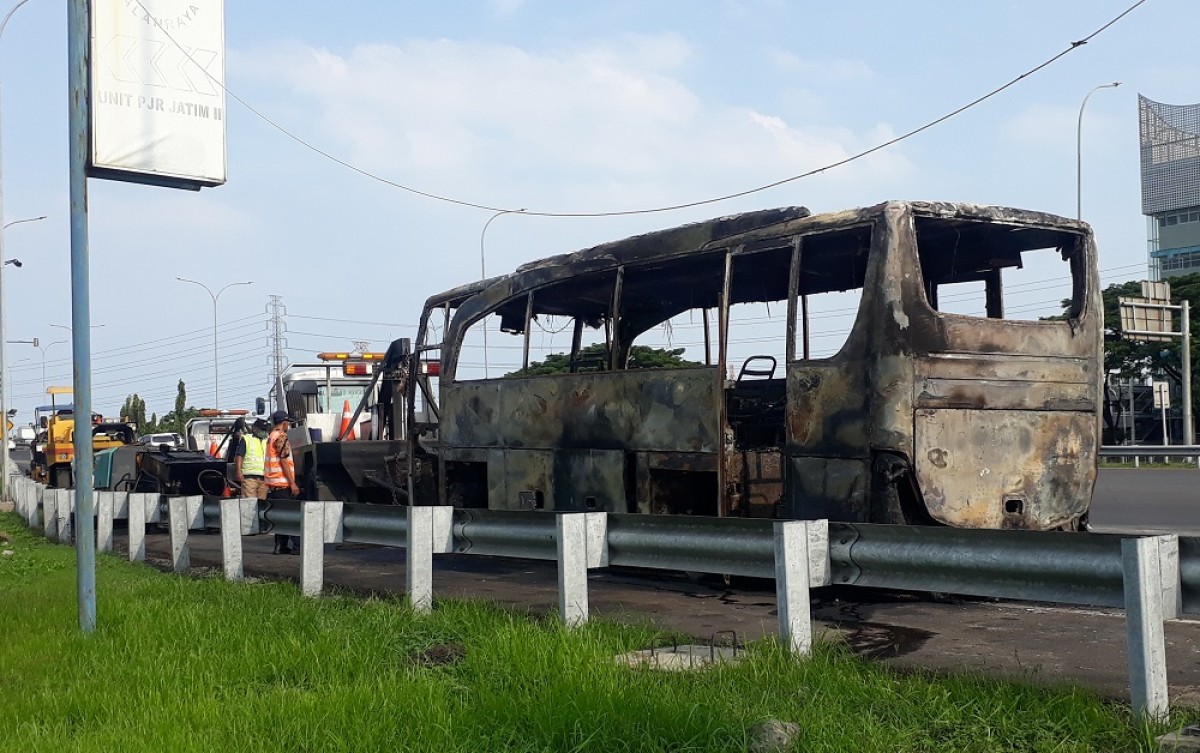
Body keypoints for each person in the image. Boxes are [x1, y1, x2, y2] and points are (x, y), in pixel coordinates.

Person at [264, 410, 302, 555]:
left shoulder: (271, 436)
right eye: (288, 423)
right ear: (284, 422)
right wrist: (292, 483)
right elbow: (284, 461)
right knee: (290, 516)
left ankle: (280, 546)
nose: (288, 426)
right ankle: (297, 546)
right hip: (282, 483)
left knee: (279, 517)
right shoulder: (281, 437)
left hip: (273, 484)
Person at [234, 418, 270, 502]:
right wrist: (238, 472)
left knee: (262, 504)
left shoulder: (267, 440)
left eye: (265, 430)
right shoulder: (247, 439)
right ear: (254, 429)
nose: (264, 432)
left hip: (264, 478)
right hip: (249, 478)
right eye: (262, 429)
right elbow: (239, 456)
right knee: (249, 503)